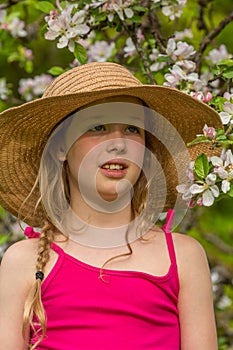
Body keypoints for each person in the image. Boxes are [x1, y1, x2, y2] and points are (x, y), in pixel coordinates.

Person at [0, 62, 222, 350]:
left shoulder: (183, 257)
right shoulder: (24, 262)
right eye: (98, 127)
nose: (118, 143)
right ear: (60, 148)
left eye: (132, 129)